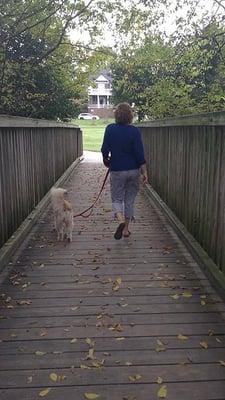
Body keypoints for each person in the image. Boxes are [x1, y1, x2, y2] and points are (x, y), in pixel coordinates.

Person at [101, 102, 148, 240]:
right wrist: (144, 171)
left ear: (116, 115)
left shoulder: (110, 129)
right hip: (133, 171)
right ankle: (126, 230)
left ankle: (120, 219)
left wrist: (107, 160)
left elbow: (105, 149)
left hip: (117, 170)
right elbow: (140, 153)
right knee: (129, 200)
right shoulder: (135, 131)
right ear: (130, 116)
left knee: (117, 198)